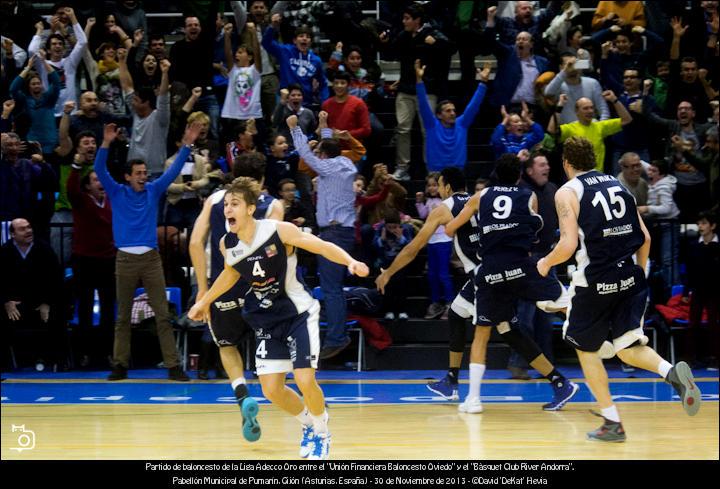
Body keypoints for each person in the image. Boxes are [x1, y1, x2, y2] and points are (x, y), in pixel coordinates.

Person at [188, 177, 369, 459]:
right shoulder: (228, 243)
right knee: (271, 389)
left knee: (304, 379)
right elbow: (231, 273)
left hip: (298, 313)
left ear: (250, 208)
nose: (227, 209)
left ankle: (322, 431)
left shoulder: (278, 231)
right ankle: (308, 424)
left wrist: (350, 261)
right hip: (267, 319)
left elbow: (319, 245)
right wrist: (204, 301)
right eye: (225, 204)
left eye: (234, 203)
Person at [536, 136, 701, 441]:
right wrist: (639, 270)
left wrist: (544, 264)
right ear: (594, 158)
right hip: (631, 277)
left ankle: (612, 422)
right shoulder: (618, 185)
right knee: (628, 348)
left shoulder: (568, 192)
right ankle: (670, 372)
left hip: (595, 280)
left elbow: (568, 245)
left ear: (566, 163)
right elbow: (646, 236)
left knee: (583, 348)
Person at [445, 154, 578, 414]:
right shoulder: (529, 195)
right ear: (519, 175)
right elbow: (534, 227)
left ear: (496, 173)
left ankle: (473, 399)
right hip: (521, 265)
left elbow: (450, 229)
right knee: (560, 305)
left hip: (491, 270)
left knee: (481, 334)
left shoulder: (481, 196)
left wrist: (480, 224)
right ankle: (588, 337)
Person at [96, 122, 202, 382]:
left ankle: (173, 365)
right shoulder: (116, 191)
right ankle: (120, 364)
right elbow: (99, 169)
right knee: (122, 316)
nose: (144, 176)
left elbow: (173, 170)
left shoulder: (154, 190)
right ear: (128, 176)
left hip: (151, 259)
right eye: (139, 173)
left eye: (145, 172)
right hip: (125, 260)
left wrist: (187, 145)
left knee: (163, 315)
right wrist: (106, 143)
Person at [189, 151, 283, 437]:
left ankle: (242, 393)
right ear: (263, 179)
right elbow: (278, 249)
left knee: (227, 345)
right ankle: (279, 394)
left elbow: (195, 242)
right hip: (260, 290)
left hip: (224, 287)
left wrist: (204, 292)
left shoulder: (216, 201)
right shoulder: (273, 204)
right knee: (270, 351)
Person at [376, 167, 479, 402]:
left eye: (441, 185)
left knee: (509, 331)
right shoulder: (478, 201)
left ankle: (558, 380)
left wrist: (388, 273)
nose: (439, 189)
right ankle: (451, 381)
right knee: (455, 315)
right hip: (486, 269)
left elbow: (413, 248)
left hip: (483, 275)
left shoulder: (445, 209)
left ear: (448, 187)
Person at [287, 115, 357, 360]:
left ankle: (337, 337)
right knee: (332, 287)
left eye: (321, 153)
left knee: (331, 288)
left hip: (334, 234)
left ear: (325, 156)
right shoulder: (344, 165)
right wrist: (324, 127)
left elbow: (306, 155)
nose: (318, 158)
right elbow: (327, 148)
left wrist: (295, 129)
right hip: (342, 232)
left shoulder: (329, 166)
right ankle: (336, 333)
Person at [0, 218, 64, 371]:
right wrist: (6, 301)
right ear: (12, 234)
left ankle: (58, 361)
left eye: (29, 227)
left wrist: (46, 302)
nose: (28, 231)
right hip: (15, 303)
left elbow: (55, 278)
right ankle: (5, 364)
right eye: (22, 229)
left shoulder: (44, 249)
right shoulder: (4, 251)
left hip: (41, 301)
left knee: (58, 314)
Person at [416, 60, 490, 171]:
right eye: (448, 111)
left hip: (457, 173)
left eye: (454, 110)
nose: (453, 113)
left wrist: (483, 83)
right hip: (436, 174)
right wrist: (419, 81)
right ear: (439, 115)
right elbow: (423, 104)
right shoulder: (431, 124)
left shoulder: (462, 124)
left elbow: (473, 106)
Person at [548, 90, 632, 172]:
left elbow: (627, 119)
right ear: (577, 111)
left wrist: (614, 100)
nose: (590, 111)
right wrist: (560, 106)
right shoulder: (570, 128)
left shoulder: (600, 126)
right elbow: (551, 129)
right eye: (585, 108)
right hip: (578, 177)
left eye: (592, 108)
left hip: (597, 176)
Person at [681, 210, 719, 367]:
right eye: (699, 223)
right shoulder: (694, 246)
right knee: (693, 324)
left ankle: (714, 357)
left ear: (713, 226)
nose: (700, 226)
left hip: (715, 292)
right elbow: (689, 271)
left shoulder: (718, 246)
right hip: (698, 291)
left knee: (714, 324)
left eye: (703, 223)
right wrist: (685, 291)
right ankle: (690, 358)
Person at [416, 172, 454, 320]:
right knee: (432, 274)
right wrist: (419, 202)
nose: (432, 188)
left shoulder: (446, 202)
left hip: (444, 240)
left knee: (443, 274)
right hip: (431, 241)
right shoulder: (429, 201)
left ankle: (450, 303)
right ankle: (435, 302)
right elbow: (423, 214)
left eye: (435, 185)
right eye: (430, 185)